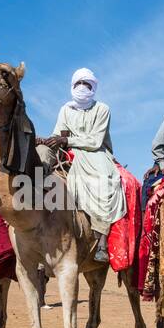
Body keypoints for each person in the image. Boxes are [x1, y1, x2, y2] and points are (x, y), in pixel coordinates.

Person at [43, 68, 124, 261]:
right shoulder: (65, 109)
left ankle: (101, 239)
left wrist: (67, 141)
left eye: (86, 84)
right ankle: (36, 234)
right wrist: (48, 141)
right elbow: (58, 132)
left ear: (93, 87)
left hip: (94, 152)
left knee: (104, 181)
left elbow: (95, 140)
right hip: (66, 150)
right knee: (39, 170)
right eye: (78, 84)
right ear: (72, 86)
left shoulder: (102, 109)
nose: (82, 88)